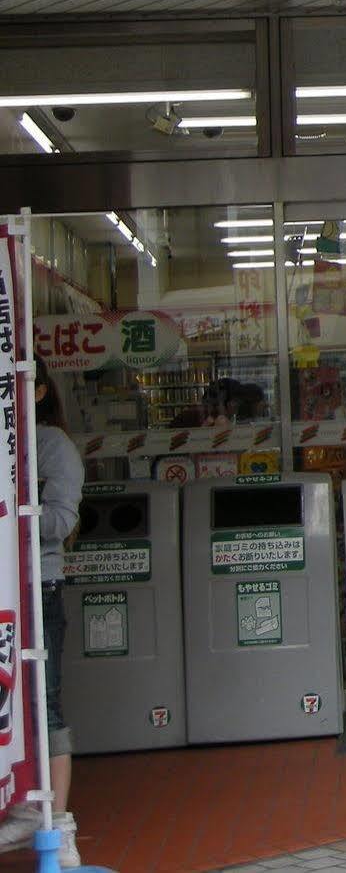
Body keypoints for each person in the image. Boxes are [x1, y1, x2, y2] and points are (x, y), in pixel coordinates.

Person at [0, 360, 84, 867]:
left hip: (38, 586)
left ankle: (59, 823)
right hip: (8, 588)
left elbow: (61, 519)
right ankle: (29, 808)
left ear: (39, 390)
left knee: (43, 701)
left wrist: (13, 510)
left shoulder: (51, 444)